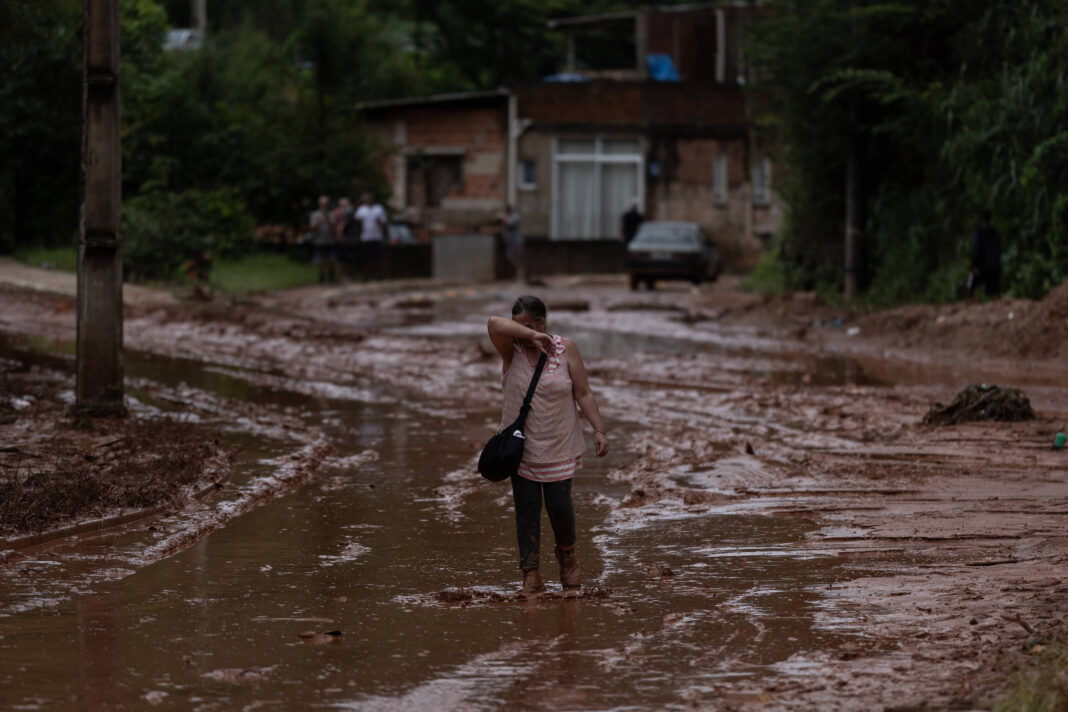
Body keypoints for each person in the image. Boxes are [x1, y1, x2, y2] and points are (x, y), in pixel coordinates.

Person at [487, 296, 609, 594]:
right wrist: (527, 334)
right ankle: (530, 574)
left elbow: (583, 393)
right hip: (521, 447)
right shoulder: (510, 349)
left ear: (544, 321)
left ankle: (568, 560)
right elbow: (492, 323)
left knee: (560, 507)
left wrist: (599, 430)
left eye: (529, 324)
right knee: (526, 510)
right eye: (517, 326)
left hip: (560, 443)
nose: (521, 331)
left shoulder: (566, 349)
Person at [969, 209, 1002, 298]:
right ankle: (997, 302)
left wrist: (974, 265)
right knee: (994, 290)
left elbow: (975, 249)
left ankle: (969, 300)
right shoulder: (995, 233)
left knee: (970, 283)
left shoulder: (977, 232)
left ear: (979, 219)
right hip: (995, 267)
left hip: (981, 267)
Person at [355, 193, 387, 278]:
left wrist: (379, 222)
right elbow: (356, 220)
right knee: (366, 257)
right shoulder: (361, 209)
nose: (367, 201)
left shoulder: (379, 209)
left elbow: (384, 222)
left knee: (378, 257)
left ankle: (378, 275)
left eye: (369, 199)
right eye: (366, 200)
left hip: (377, 236)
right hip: (366, 237)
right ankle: (367, 275)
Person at [309, 195, 338, 284]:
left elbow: (334, 227)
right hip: (319, 241)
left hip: (330, 240)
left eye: (326, 204)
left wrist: (328, 220)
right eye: (322, 204)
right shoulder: (314, 214)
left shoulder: (331, 214)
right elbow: (311, 228)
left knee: (332, 259)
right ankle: (321, 277)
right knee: (319, 260)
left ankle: (331, 276)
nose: (324, 206)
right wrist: (319, 221)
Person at [336, 197, 360, 280]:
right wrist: (340, 237)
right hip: (347, 240)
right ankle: (345, 277)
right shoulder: (349, 211)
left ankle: (346, 277)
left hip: (348, 239)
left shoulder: (350, 211)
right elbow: (342, 225)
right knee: (345, 260)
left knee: (346, 259)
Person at [500, 204, 524, 282]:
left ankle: (520, 275)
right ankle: (518, 275)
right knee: (511, 258)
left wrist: (501, 217)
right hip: (510, 242)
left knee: (516, 258)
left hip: (516, 241)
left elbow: (509, 223)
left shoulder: (515, 216)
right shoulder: (508, 216)